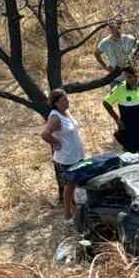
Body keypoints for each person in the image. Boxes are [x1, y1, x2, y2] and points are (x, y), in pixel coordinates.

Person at [40, 89, 85, 220]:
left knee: (77, 184)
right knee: (69, 186)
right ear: (56, 103)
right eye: (63, 100)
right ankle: (67, 215)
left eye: (67, 99)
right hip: (67, 157)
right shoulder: (55, 117)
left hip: (77, 154)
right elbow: (45, 134)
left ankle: (78, 212)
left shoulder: (66, 112)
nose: (67, 102)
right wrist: (55, 142)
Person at [103, 66, 139, 157]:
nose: (131, 79)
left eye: (133, 77)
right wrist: (117, 119)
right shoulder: (120, 89)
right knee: (130, 153)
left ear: (138, 76)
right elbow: (106, 103)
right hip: (128, 125)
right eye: (128, 77)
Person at [94, 18, 139, 85]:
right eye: (110, 27)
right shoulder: (105, 42)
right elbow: (96, 53)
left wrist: (135, 62)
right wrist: (105, 66)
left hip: (130, 78)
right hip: (115, 78)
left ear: (119, 27)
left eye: (114, 27)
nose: (112, 29)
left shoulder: (128, 39)